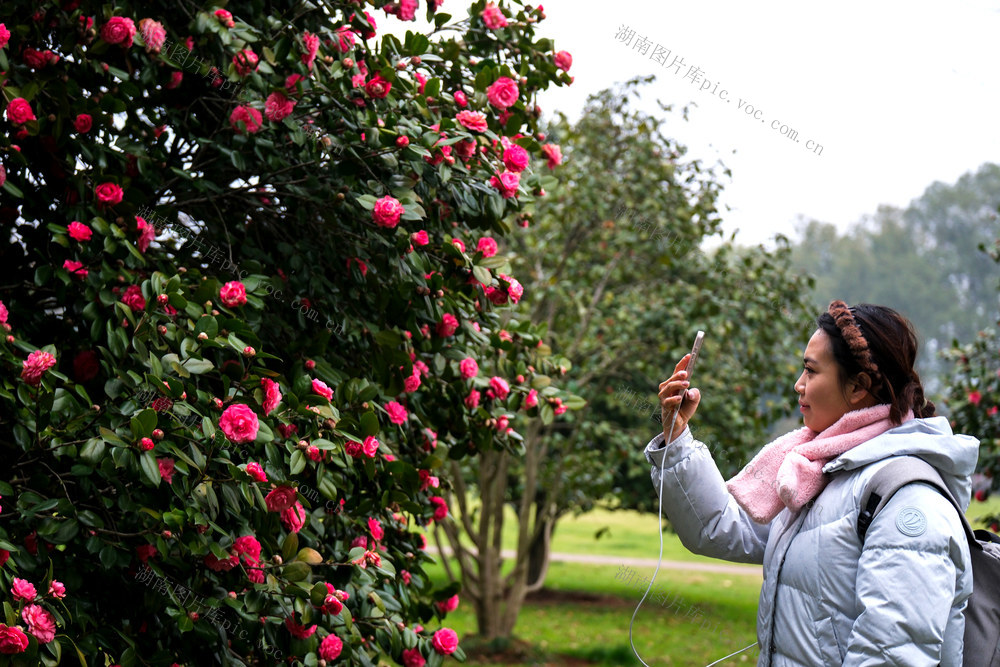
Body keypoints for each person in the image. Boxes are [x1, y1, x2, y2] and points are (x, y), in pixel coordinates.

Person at [644, 301, 978, 666]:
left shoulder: (907, 501)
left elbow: (892, 656)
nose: (798, 385)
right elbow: (718, 527)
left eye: (810, 371)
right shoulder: (817, 473)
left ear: (858, 387)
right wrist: (676, 438)